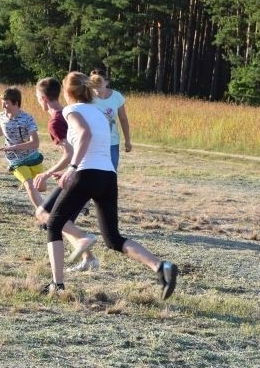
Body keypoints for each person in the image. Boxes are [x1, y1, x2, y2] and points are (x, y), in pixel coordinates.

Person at [43, 71, 178, 300]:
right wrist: (64, 170)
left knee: (54, 224)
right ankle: (160, 266)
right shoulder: (98, 112)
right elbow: (91, 145)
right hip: (107, 176)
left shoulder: (71, 110)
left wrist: (73, 168)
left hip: (86, 174)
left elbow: (84, 136)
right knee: (113, 239)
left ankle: (58, 286)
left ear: (67, 92)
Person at [34, 77, 99, 272]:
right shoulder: (69, 113)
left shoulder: (55, 121)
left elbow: (69, 152)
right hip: (87, 171)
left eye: (37, 97)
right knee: (64, 221)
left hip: (79, 174)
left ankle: (84, 238)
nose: (38, 101)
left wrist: (48, 172)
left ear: (44, 98)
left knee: (43, 213)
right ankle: (89, 259)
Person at [0, 87, 46, 209]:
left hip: (32, 157)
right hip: (15, 160)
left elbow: (35, 143)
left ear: (16, 103)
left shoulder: (27, 118)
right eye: (2, 103)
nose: (3, 106)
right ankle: (44, 213)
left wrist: (14, 147)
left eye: (6, 103)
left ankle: (31, 186)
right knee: (30, 186)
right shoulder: (2, 116)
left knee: (42, 187)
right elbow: (3, 129)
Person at [89, 70, 132, 170]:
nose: (96, 88)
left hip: (112, 142)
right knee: (94, 172)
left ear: (107, 82)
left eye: (99, 83)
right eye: (93, 84)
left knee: (112, 171)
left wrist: (127, 141)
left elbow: (123, 119)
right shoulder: (87, 97)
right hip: (92, 142)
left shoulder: (116, 96)